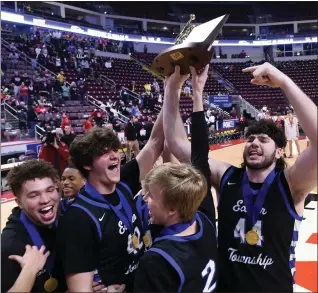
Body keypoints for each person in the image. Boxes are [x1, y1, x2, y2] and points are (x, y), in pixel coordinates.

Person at [163, 62, 317, 292]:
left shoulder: (291, 183)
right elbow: (176, 143)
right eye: (251, 138)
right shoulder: (226, 176)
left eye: (263, 140)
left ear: (279, 151)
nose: (254, 143)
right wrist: (173, 90)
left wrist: (283, 81)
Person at [56, 110, 165, 292]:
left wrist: (172, 88)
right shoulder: (78, 219)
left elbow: (156, 142)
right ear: (87, 164)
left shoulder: (123, 186)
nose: (115, 155)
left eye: (115, 149)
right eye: (104, 153)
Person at [134, 65, 217, 292]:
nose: (145, 199)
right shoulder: (205, 219)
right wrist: (196, 94)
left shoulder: (156, 262)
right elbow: (200, 154)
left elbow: (201, 154)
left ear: (171, 209)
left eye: (151, 196)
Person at [1, 160, 66, 292]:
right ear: (19, 203)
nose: (45, 199)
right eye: (33, 195)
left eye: (50, 190)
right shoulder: (11, 246)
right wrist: (29, 271)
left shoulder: (68, 216)